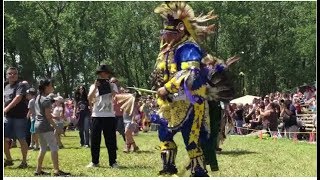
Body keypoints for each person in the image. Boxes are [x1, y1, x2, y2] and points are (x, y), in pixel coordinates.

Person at [148, 2, 236, 177]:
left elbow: (191, 74)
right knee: (164, 134)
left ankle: (198, 171)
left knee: (192, 140)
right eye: (163, 32)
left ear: (180, 30)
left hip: (190, 103)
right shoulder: (166, 50)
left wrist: (166, 88)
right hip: (168, 105)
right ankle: (168, 167)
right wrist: (159, 86)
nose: (163, 36)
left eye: (167, 32)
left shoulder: (188, 47)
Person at [34, 79, 70, 176]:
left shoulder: (38, 97)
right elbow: (48, 116)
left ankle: (38, 170)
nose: (53, 87)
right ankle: (56, 171)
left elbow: (42, 113)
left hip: (38, 125)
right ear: (46, 87)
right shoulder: (46, 99)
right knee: (54, 147)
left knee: (43, 148)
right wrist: (56, 127)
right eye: (51, 85)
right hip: (45, 125)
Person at [87, 64, 119, 168]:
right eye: (101, 73)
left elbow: (115, 97)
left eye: (105, 73)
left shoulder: (113, 85)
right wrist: (95, 87)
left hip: (109, 115)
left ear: (108, 74)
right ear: (99, 74)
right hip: (97, 115)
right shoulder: (93, 86)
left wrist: (110, 86)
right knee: (95, 140)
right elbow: (89, 98)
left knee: (111, 140)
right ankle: (94, 162)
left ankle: (113, 162)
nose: (103, 75)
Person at [4, 67, 29, 168]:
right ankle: (9, 159)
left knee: (21, 139)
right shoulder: (6, 87)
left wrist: (5, 109)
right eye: (10, 73)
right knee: (4, 137)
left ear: (17, 75)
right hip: (8, 117)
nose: (12, 75)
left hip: (19, 117)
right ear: (7, 75)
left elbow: (18, 98)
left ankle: (24, 162)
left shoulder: (20, 85)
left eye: (15, 73)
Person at [110, 77, 126, 142]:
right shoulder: (109, 91)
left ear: (117, 82)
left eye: (114, 82)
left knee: (121, 129)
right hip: (112, 113)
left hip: (120, 113)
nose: (112, 83)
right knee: (112, 130)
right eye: (111, 82)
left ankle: (127, 142)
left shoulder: (121, 90)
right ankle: (114, 145)